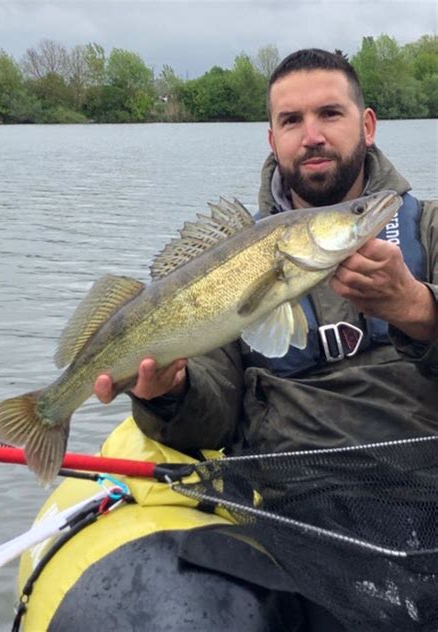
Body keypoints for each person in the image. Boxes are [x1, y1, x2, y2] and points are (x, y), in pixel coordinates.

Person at [93, 49, 438, 630]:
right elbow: (212, 418)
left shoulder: (428, 228)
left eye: (330, 113)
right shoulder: (225, 262)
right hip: (291, 511)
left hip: (423, 486)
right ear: (272, 139)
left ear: (368, 124)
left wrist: (419, 309)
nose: (312, 136)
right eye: (291, 121)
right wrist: (167, 395)